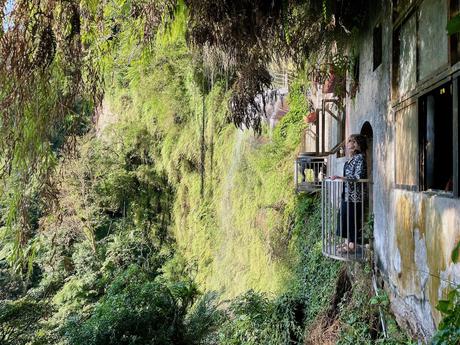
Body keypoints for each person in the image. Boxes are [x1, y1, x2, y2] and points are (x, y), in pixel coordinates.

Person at [331, 134, 368, 254]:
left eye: (352, 141)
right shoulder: (352, 158)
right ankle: (347, 243)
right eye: (349, 141)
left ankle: (352, 246)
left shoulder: (360, 158)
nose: (349, 144)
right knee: (344, 217)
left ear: (357, 144)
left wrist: (340, 177)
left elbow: (358, 176)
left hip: (355, 196)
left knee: (352, 219)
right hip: (347, 194)